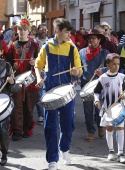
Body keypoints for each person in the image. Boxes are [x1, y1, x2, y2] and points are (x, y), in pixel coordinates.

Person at [35, 18, 82, 170]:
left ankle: (65, 149)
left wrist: (77, 71)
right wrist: (39, 78)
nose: (69, 35)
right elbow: (37, 66)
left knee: (68, 125)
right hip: (49, 89)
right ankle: (52, 160)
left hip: (67, 90)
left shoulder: (72, 48)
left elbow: (80, 70)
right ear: (57, 31)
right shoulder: (46, 47)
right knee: (50, 126)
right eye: (67, 32)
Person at [6, 15, 39, 141]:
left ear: (28, 31)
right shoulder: (12, 46)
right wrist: (10, 72)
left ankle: (26, 128)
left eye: (24, 29)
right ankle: (17, 130)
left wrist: (35, 61)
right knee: (17, 106)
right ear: (16, 30)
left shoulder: (34, 45)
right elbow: (7, 62)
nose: (22, 32)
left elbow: (42, 61)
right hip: (16, 79)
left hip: (30, 79)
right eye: (20, 29)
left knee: (29, 106)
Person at [94, 53, 125, 164]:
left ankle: (120, 153)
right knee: (109, 129)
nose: (116, 66)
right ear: (108, 65)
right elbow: (96, 91)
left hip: (119, 109)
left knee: (120, 129)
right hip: (108, 108)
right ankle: (111, 151)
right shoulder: (103, 78)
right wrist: (96, 100)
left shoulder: (122, 77)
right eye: (114, 64)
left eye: (118, 64)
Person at [79, 29, 110, 142]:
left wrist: (103, 70)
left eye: (93, 38)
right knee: (87, 110)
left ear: (99, 39)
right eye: (89, 38)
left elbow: (110, 67)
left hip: (100, 85)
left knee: (99, 109)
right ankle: (90, 131)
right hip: (86, 84)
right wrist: (75, 74)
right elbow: (78, 66)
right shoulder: (82, 52)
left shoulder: (105, 53)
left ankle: (100, 126)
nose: (91, 40)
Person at [0, 42, 19, 166]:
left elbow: (15, 89)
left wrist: (12, 82)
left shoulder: (7, 66)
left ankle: (4, 153)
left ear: (1, 52)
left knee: (3, 131)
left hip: (3, 102)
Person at [34, 23, 48, 125]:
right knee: (38, 94)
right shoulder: (33, 42)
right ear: (38, 31)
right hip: (38, 70)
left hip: (48, 71)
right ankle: (41, 115)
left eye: (45, 29)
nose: (43, 31)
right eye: (42, 29)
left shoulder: (51, 42)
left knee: (47, 93)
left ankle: (48, 113)